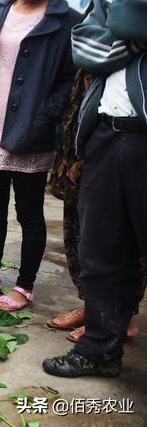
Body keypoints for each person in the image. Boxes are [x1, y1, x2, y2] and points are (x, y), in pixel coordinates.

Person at [43, 0, 147, 377]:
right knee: (101, 248)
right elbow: (85, 48)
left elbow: (118, 19)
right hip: (106, 132)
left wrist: (120, 25)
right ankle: (101, 350)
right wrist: (133, 37)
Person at [0, 0, 80, 311]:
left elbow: (69, 79)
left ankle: (25, 286)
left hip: (30, 130)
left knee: (29, 213)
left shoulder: (66, 20)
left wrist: (45, 115)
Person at [46, 68, 145, 342]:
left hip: (123, 131)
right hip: (87, 130)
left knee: (116, 236)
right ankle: (94, 308)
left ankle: (121, 318)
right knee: (83, 229)